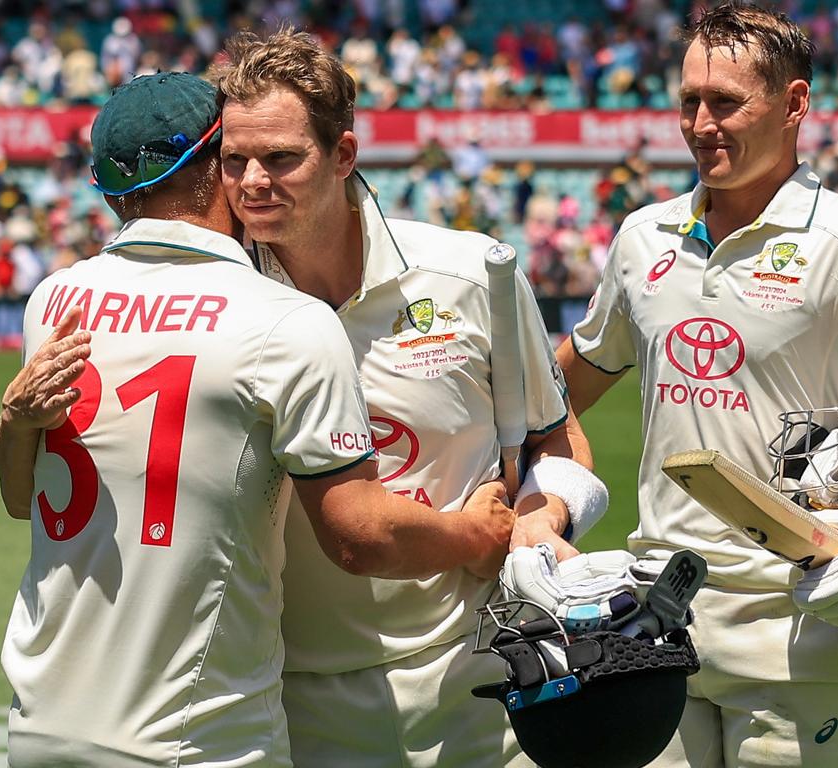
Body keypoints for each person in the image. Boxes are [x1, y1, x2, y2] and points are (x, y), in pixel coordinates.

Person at [0, 72, 516, 768]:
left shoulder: (55, 300)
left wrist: (10, 420)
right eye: (236, 157)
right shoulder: (284, 319)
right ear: (215, 166)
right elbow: (358, 536)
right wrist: (474, 535)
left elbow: (17, 498)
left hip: (41, 716)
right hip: (199, 732)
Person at [555, 4, 838, 767]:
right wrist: (543, 509)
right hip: (655, 613)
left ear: (794, 104)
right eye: (689, 102)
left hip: (803, 621)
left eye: (727, 103)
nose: (703, 124)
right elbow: (556, 395)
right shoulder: (642, 236)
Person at [209, 27, 603, 767]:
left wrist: (543, 517)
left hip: (484, 671)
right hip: (295, 691)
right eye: (235, 160)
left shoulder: (472, 274)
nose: (254, 180)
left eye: (282, 158)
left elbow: (558, 439)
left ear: (344, 155)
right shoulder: (223, 301)